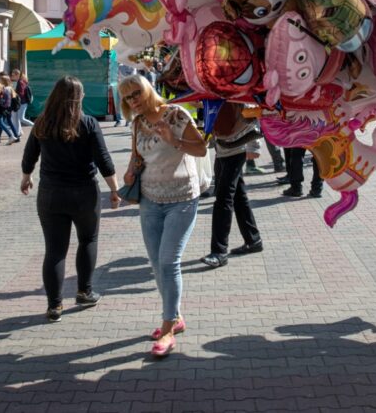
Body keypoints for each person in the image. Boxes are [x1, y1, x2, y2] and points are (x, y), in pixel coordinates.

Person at [119, 74, 207, 358]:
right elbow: (137, 156)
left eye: (136, 94)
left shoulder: (176, 114)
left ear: (147, 90)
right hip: (149, 198)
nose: (133, 101)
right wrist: (130, 170)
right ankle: (176, 316)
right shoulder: (137, 123)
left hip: (181, 197)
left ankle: (168, 327)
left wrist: (174, 140)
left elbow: (202, 148)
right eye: (128, 98)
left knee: (169, 261)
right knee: (157, 263)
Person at [20, 76, 120, 322]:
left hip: (51, 194)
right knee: (88, 240)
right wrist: (115, 190)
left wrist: (26, 177)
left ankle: (54, 306)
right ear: (79, 98)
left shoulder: (41, 123)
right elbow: (103, 160)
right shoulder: (87, 123)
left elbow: (29, 154)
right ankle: (84, 291)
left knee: (54, 251)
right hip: (84, 192)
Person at [201, 103, 264, 269]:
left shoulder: (234, 84)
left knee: (223, 199)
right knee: (238, 196)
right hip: (223, 147)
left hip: (238, 147)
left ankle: (219, 252)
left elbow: (253, 109)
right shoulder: (215, 85)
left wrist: (254, 145)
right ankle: (253, 239)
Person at [10, 69, 34, 136]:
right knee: (18, 118)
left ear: (17, 75)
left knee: (21, 118)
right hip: (22, 102)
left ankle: (35, 126)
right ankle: (19, 132)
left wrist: (13, 94)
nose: (12, 76)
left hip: (22, 103)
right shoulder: (21, 81)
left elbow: (21, 94)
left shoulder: (20, 82)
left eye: (13, 75)